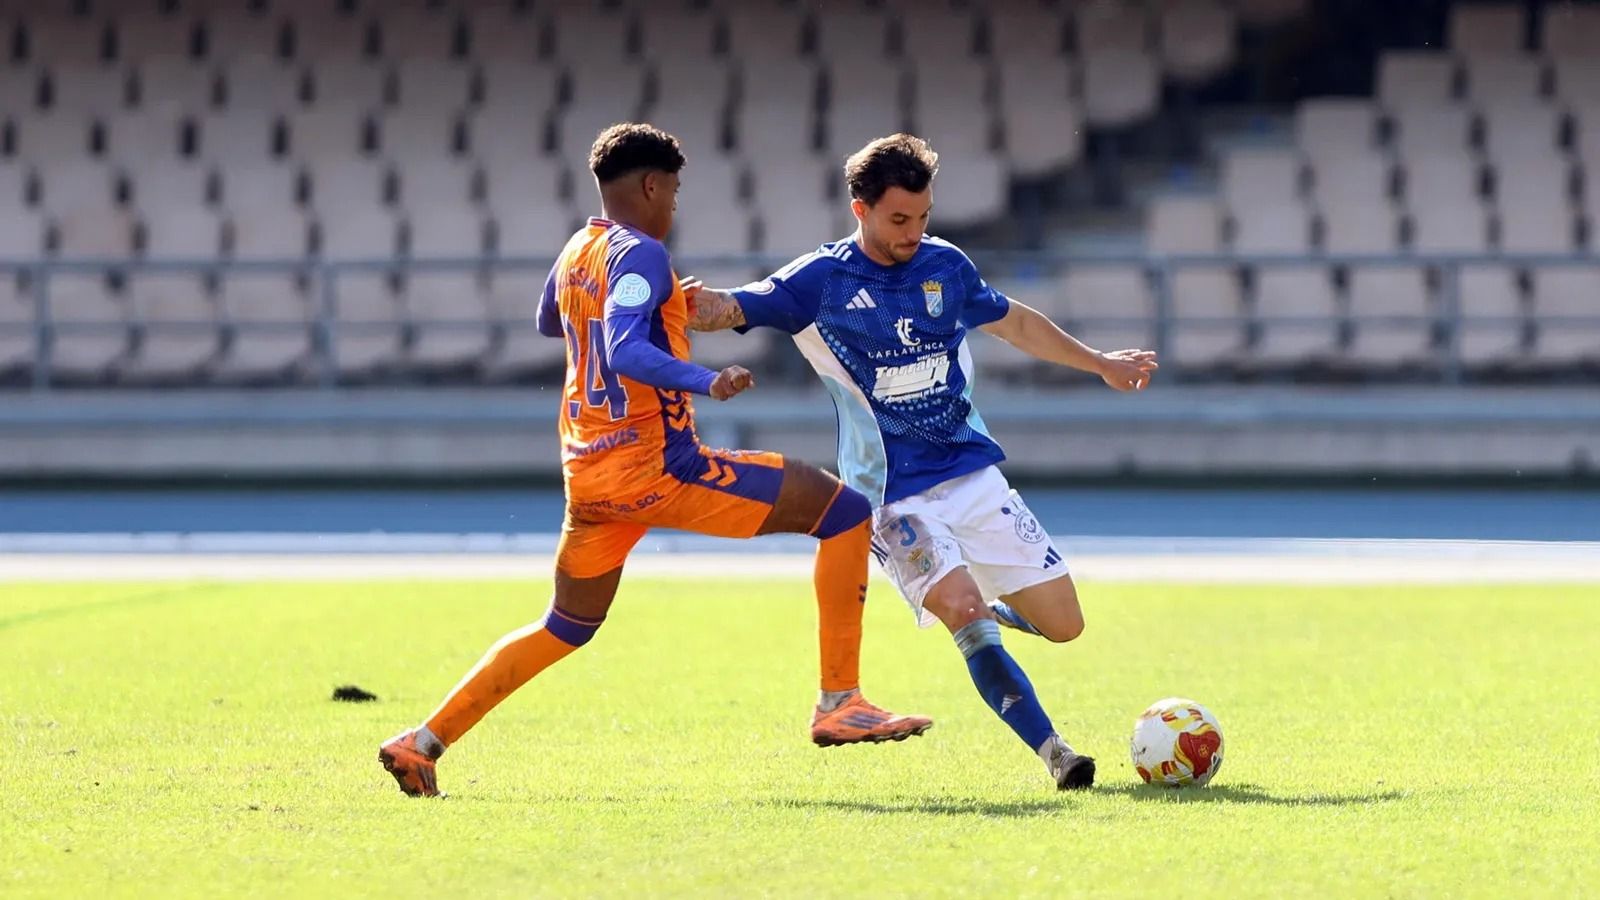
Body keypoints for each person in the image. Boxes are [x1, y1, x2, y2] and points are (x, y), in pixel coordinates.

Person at [378, 124, 930, 798]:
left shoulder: (581, 248)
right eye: (671, 191)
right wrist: (706, 380)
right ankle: (839, 700)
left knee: (564, 626)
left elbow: (551, 321)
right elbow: (623, 350)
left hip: (589, 480)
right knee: (843, 512)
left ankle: (423, 741)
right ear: (649, 186)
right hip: (661, 470)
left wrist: (658, 306)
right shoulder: (641, 255)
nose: (673, 205)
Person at [683, 133, 1159, 790]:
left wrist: (1100, 362)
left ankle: (998, 612)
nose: (913, 232)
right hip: (891, 499)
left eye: (923, 217)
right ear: (861, 210)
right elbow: (730, 307)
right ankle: (1056, 753)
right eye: (898, 219)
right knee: (963, 610)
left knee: (1066, 625)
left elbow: (1014, 323)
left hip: (971, 477)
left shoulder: (945, 266)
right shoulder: (819, 281)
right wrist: (683, 305)